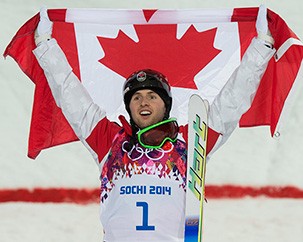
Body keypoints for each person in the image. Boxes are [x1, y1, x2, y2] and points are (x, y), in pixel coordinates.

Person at [33, 5, 275, 242]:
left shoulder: (192, 141)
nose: (143, 102)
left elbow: (233, 100)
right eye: (136, 97)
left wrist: (261, 46)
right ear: (128, 107)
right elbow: (69, 93)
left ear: (166, 104)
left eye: (152, 96)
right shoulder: (107, 140)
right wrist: (45, 45)